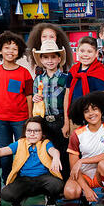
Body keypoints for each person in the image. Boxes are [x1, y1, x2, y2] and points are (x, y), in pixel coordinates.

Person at [0, 116, 64, 206]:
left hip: (43, 178)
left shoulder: (45, 143)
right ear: (25, 132)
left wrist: (56, 158)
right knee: (6, 193)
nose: (32, 134)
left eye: (36, 131)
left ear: (43, 133)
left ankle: (50, 198)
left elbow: (53, 151)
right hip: (24, 180)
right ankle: (19, 199)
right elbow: (1, 151)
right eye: (29, 131)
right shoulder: (20, 143)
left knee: (57, 184)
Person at [63, 92, 104, 206]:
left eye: (94, 109)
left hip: (101, 173)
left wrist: (81, 161)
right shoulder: (77, 134)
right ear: (82, 115)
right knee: (70, 192)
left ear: (101, 111)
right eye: (86, 111)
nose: (91, 113)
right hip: (83, 174)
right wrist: (87, 189)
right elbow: (74, 167)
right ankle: (85, 196)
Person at [0, 31, 33, 181]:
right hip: (0, 119)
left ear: (19, 52)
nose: (10, 51)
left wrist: (30, 117)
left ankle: (22, 179)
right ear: (0, 50)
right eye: (7, 47)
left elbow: (29, 96)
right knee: (4, 153)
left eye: (14, 48)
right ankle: (7, 180)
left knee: (22, 151)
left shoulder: (25, 73)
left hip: (21, 118)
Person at [30, 40, 70, 176]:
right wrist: (36, 98)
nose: (50, 60)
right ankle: (51, 183)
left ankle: (64, 182)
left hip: (60, 120)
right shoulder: (38, 80)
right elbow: (36, 101)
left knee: (63, 152)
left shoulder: (65, 78)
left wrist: (66, 123)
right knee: (46, 152)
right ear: (41, 60)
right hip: (44, 121)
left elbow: (68, 102)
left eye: (53, 57)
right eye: (46, 57)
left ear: (59, 59)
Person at [64, 36, 104, 130]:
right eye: (82, 51)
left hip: (95, 122)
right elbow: (67, 96)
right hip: (74, 120)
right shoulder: (73, 71)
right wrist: (66, 122)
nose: (85, 54)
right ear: (77, 52)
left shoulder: (100, 73)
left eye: (89, 52)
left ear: (96, 54)